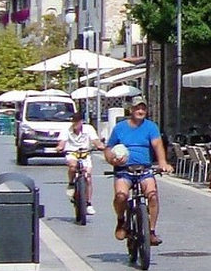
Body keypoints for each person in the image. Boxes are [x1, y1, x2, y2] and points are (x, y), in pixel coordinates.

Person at [105, 99, 172, 245]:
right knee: (121, 196)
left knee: (152, 195)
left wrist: (162, 163)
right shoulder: (120, 128)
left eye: (143, 109)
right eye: (137, 108)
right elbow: (109, 148)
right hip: (124, 170)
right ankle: (121, 220)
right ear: (131, 110)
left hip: (144, 169)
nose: (140, 111)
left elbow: (157, 145)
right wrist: (112, 159)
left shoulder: (151, 127)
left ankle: (151, 231)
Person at [58, 112, 105, 216]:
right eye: (73, 121)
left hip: (85, 154)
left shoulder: (88, 128)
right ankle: (71, 183)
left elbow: (95, 140)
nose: (74, 123)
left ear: (81, 121)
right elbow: (62, 142)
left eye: (77, 121)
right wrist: (60, 147)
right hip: (72, 153)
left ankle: (88, 203)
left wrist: (100, 146)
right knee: (72, 166)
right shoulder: (67, 129)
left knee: (88, 177)